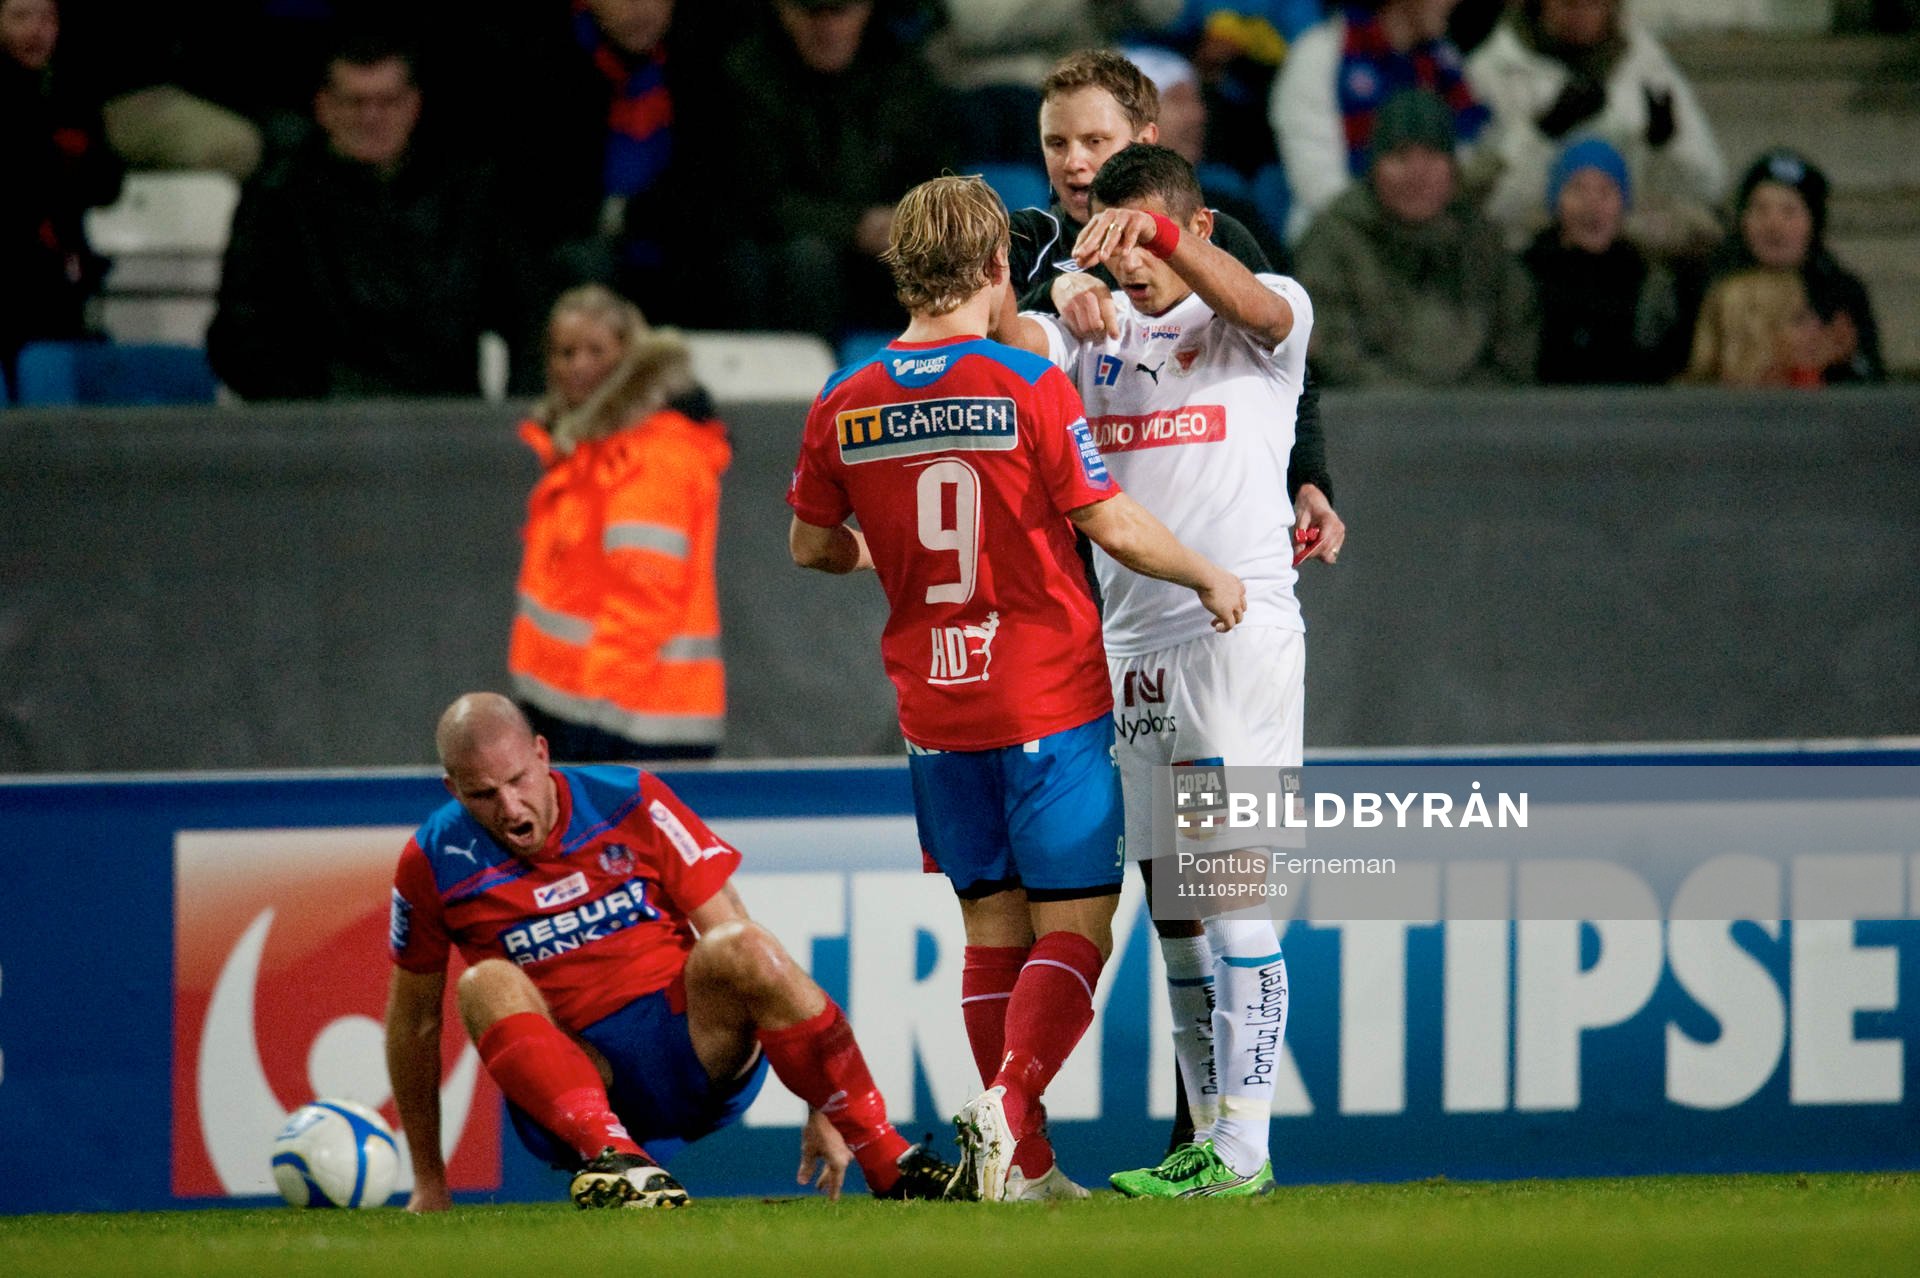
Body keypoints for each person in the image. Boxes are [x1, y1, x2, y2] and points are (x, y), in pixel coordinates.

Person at [787, 173, 1247, 1202]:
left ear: (901, 272)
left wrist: (886, 555)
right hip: (1045, 697)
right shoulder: (1027, 386)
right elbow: (1107, 519)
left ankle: (1027, 1170)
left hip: (935, 715)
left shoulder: (842, 400)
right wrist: (1210, 574)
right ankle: (1009, 1102)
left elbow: (811, 545)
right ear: (999, 268)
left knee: (991, 931)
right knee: (1076, 931)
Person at [999, 142, 1319, 1198]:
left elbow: (1268, 314)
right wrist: (1061, 280)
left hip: (1238, 633)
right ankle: (1205, 1138)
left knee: (1231, 894)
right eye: (1119, 243)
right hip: (1132, 648)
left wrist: (1157, 238)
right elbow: (997, 336)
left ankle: (1246, 1147)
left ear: (1197, 230)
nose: (1137, 270)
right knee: (1177, 909)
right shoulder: (1095, 330)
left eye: (1152, 241)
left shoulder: (1261, 317)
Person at [385, 692, 960, 1210]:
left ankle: (888, 1157)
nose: (509, 808)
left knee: (743, 945)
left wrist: (820, 1103)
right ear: (452, 789)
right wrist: (430, 1183)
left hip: (694, 1053)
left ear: (542, 753)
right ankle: (616, 1164)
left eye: (517, 780)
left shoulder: (629, 799)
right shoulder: (432, 859)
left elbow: (743, 945)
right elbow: (414, 1027)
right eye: (483, 794)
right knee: (483, 982)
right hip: (580, 1082)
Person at [1008, 49, 1343, 582]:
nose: (1074, 161)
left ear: (1143, 143)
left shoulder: (1214, 240)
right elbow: (981, 359)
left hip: (1174, 535)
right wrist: (1051, 291)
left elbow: (1285, 367)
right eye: (1057, 142)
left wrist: (1308, 481)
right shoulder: (1024, 243)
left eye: (1095, 141)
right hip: (1049, 538)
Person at [206, 35, 541, 399]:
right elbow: (238, 336)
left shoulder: (467, 195)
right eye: (355, 103)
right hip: (324, 425)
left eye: (388, 102)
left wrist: (517, 429)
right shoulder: (278, 200)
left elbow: (530, 315)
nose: (372, 117)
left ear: (413, 106)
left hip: (444, 419)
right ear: (324, 107)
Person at [507, 285, 729, 763]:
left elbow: (645, 594)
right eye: (566, 352)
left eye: (596, 350)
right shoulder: (587, 448)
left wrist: (596, 699)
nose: (579, 365)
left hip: (632, 720)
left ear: (629, 357)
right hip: (577, 709)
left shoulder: (653, 453)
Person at [708, 0, 954, 339]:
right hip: (789, 255)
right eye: (812, 13)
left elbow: (942, 176)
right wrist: (854, 226)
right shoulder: (747, 76)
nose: (828, 29)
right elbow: (753, 200)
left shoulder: (903, 73)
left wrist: (908, 219)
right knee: (803, 260)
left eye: (839, 12)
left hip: (891, 254)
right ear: (783, 10)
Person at [1293, 88, 1536, 386]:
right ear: (1375, 167)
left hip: (1476, 423)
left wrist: (1464, 414)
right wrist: (1413, 412)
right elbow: (1331, 348)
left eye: (1432, 155)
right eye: (1400, 156)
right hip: (1367, 422)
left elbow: (1514, 346)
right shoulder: (1334, 241)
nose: (1417, 173)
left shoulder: (1482, 241)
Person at [1465, 0, 1726, 258]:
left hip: (1633, 257)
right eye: (1569, 4)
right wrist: (1539, 137)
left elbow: (1710, 186)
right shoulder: (1492, 70)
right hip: (1526, 257)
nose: (1581, 14)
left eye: (1594, 3)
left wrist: (1665, 145)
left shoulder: (1644, 63)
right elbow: (1476, 203)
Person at [1268, 0, 1489, 242]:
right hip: (1338, 244)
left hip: (1434, 244)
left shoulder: (1445, 64)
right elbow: (1318, 185)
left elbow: (1468, 168)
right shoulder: (1317, 55)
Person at [1, 0, 121, 397]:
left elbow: (107, 181)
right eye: (21, 16)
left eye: (47, 17)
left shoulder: (72, 94)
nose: (37, 30)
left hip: (60, 285)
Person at [1701, 148, 1884, 385]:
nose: (1774, 226)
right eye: (1761, 210)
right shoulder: (1709, 284)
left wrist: (1838, 361)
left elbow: (1871, 380)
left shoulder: (1841, 293)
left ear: (1813, 223)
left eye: (1789, 212)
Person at [1522, 136, 1684, 384]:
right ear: (1557, 201)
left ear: (1623, 203)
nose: (1592, 205)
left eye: (1605, 190)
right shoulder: (1525, 276)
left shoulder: (1649, 282)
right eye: (1578, 189)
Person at [1684, 268, 1827, 388]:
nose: (1816, 326)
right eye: (1799, 319)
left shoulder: (1808, 390)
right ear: (1757, 331)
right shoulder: (1690, 410)